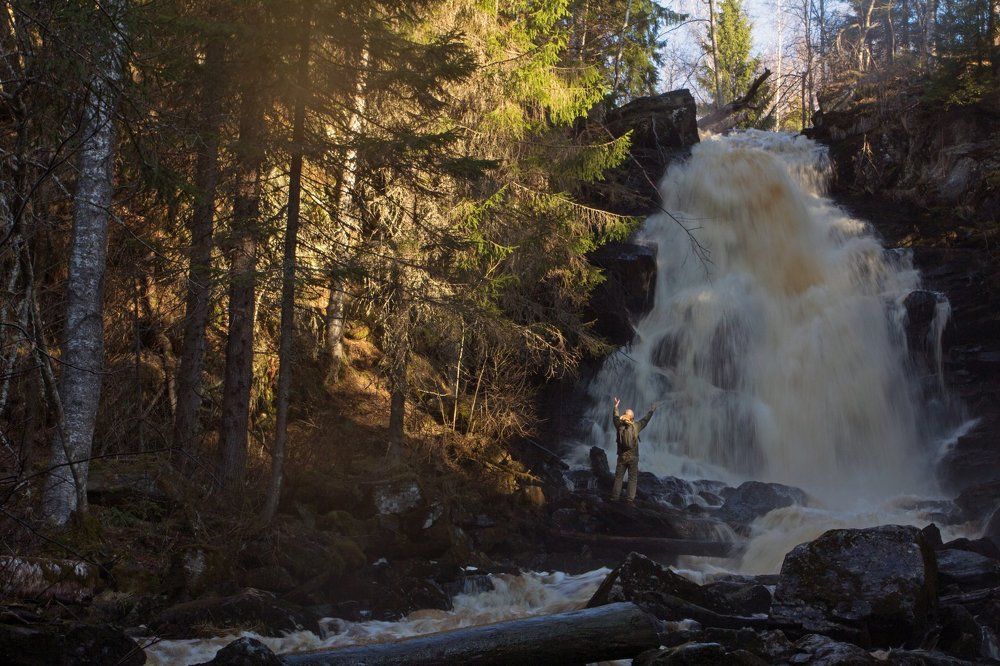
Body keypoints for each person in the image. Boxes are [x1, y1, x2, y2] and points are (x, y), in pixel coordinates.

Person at [611, 396, 657, 503]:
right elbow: (645, 420)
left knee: (618, 478)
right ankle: (629, 500)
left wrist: (616, 407)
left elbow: (615, 417)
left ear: (624, 415)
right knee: (632, 479)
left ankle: (614, 498)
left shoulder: (619, 425)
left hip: (622, 456)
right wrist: (652, 410)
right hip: (633, 457)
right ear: (632, 418)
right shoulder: (636, 426)